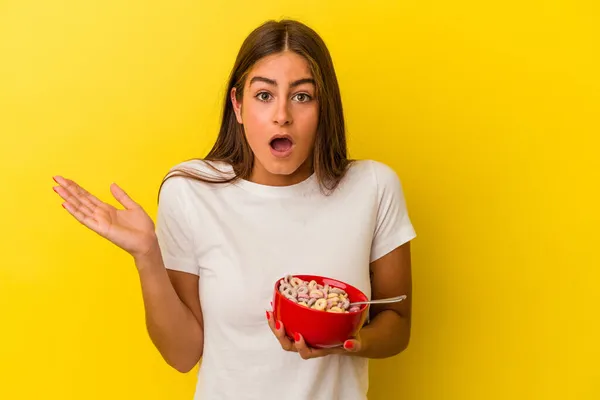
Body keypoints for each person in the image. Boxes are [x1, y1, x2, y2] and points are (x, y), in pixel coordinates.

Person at [52, 18, 416, 400]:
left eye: (302, 96)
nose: (282, 116)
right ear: (238, 106)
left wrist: (347, 339)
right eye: (264, 95)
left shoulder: (372, 187)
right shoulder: (191, 191)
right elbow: (182, 354)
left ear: (324, 109)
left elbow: (397, 322)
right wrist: (146, 255)